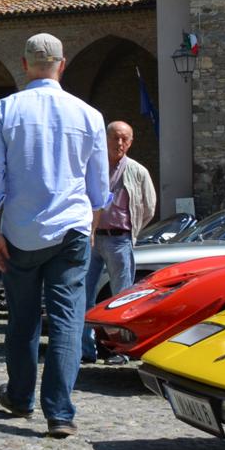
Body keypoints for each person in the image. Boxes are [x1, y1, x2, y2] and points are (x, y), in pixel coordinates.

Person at [0, 34, 110, 438]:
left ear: (24, 64)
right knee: (68, 320)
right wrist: (90, 229)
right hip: (72, 228)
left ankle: (20, 397)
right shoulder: (89, 115)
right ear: (62, 64)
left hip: (20, 230)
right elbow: (99, 188)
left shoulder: (4, 109)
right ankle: (60, 413)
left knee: (22, 317)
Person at [81, 121, 156, 366]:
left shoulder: (137, 171)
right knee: (85, 295)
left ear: (131, 142)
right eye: (115, 137)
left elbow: (149, 207)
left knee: (122, 298)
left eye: (125, 139)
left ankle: (120, 351)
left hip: (119, 240)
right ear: (105, 139)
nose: (119, 143)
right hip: (92, 238)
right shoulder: (92, 168)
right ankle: (86, 349)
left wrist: (130, 231)